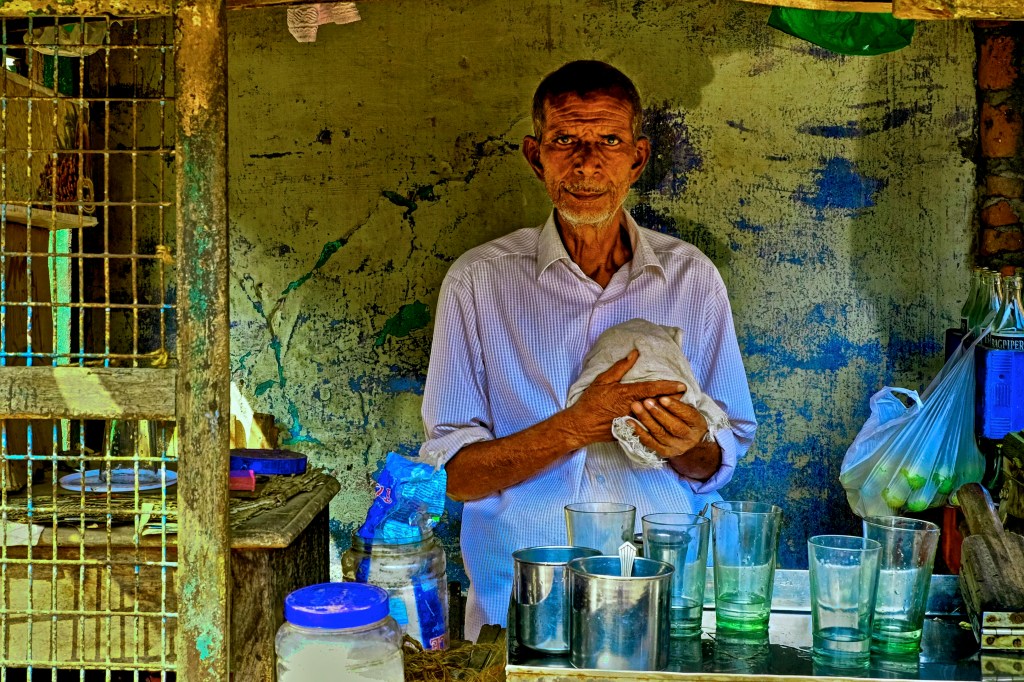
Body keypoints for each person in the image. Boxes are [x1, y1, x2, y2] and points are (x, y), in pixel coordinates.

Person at [419, 60, 757, 640]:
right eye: (565, 141)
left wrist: (688, 443)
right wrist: (576, 427)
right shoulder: (478, 282)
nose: (587, 162)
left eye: (608, 141)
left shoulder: (691, 279)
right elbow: (455, 477)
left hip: (656, 597)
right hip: (518, 601)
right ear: (535, 155)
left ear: (638, 158)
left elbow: (718, 459)